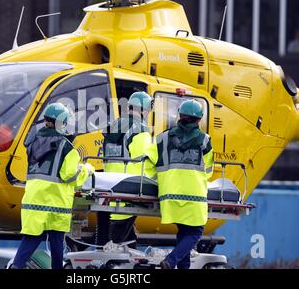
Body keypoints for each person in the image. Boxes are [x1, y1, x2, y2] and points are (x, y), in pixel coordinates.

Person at [11, 102, 95, 269]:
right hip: (55, 202)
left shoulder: (33, 143)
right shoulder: (67, 147)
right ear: (61, 122)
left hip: (33, 200)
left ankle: (16, 266)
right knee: (56, 241)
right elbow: (70, 176)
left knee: (31, 238)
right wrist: (86, 169)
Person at [156, 99, 214, 269]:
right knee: (195, 233)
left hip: (170, 196)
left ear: (179, 116)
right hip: (194, 197)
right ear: (198, 120)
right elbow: (209, 170)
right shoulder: (204, 140)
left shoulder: (164, 137)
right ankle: (170, 261)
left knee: (184, 234)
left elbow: (152, 161)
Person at [102, 91, 158, 248]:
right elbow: (145, 159)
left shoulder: (114, 125)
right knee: (117, 242)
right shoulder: (140, 129)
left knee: (126, 239)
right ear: (144, 109)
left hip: (110, 185)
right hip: (130, 188)